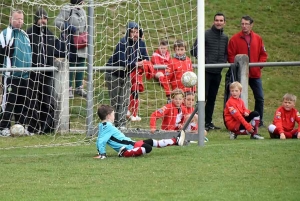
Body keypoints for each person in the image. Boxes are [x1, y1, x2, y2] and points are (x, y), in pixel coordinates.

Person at [94, 104, 186, 159]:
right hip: (127, 147)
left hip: (131, 144)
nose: (114, 117)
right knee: (147, 148)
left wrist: (100, 152)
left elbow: (99, 140)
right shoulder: (107, 126)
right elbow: (101, 141)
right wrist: (102, 154)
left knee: (150, 142)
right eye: (113, 115)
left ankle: (175, 141)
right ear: (109, 115)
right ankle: (124, 153)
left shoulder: (103, 126)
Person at [0, 9, 37, 136]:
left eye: (21, 19)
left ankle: (21, 126)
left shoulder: (25, 35)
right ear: (11, 19)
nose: (19, 21)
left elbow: (28, 53)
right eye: (17, 19)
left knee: (23, 103)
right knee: (9, 102)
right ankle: (3, 127)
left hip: (24, 76)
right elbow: (2, 53)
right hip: (11, 75)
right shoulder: (6, 34)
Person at [105, 22, 149, 128]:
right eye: (132, 32)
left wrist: (145, 63)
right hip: (114, 74)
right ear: (128, 33)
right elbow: (121, 61)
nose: (135, 34)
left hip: (126, 74)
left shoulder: (141, 43)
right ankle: (113, 125)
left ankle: (122, 125)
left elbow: (146, 58)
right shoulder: (122, 43)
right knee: (115, 102)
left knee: (124, 101)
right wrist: (136, 63)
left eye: (137, 32)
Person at [227, 15, 268, 127]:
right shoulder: (234, 39)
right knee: (237, 98)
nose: (244, 26)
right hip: (241, 75)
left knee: (259, 97)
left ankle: (258, 120)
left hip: (255, 74)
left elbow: (263, 54)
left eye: (246, 24)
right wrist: (238, 68)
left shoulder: (258, 38)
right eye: (242, 24)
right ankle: (237, 122)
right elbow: (230, 56)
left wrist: (258, 66)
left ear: (251, 25)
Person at [190, 12, 228, 131]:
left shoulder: (225, 37)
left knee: (212, 98)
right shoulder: (205, 34)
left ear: (224, 23)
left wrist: (223, 61)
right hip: (206, 72)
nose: (219, 22)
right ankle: (195, 122)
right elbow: (193, 51)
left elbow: (226, 52)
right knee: (202, 98)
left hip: (217, 73)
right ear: (213, 21)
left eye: (221, 21)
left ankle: (208, 123)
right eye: (217, 20)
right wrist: (205, 61)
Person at [27, 7, 55, 133]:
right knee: (33, 101)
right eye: (41, 18)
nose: (43, 21)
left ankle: (46, 128)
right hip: (33, 72)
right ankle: (32, 127)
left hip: (47, 73)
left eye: (45, 18)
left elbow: (55, 51)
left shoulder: (50, 35)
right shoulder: (29, 33)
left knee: (46, 100)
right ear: (36, 19)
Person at [55, 0, 88, 98]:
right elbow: (57, 22)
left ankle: (79, 88)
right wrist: (68, 27)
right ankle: (68, 88)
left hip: (82, 41)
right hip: (70, 42)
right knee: (71, 63)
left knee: (81, 62)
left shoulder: (83, 11)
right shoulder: (67, 8)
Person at [151, 38, 172, 103]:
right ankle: (168, 93)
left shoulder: (168, 54)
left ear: (167, 48)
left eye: (164, 48)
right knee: (161, 75)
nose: (163, 50)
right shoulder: (155, 55)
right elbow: (157, 65)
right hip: (157, 71)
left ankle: (169, 82)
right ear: (158, 47)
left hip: (166, 70)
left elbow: (170, 63)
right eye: (161, 48)